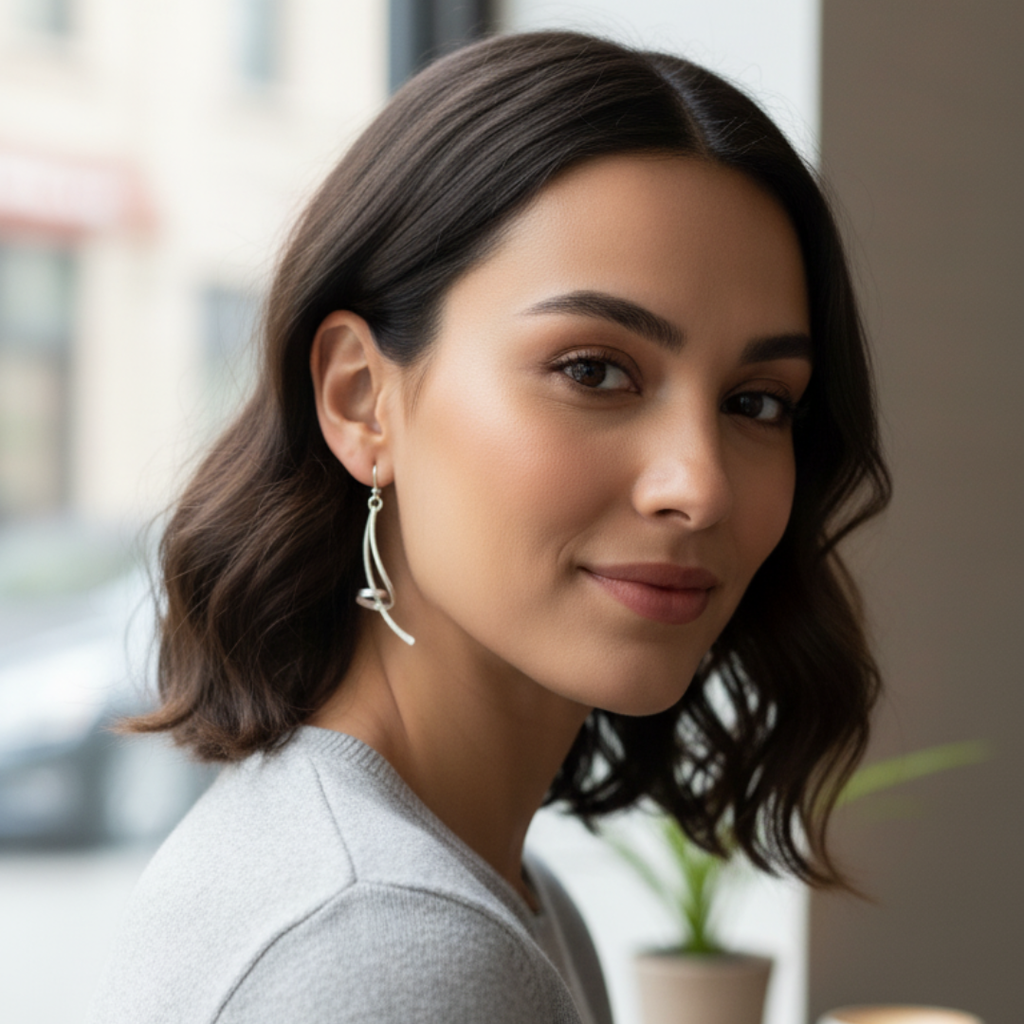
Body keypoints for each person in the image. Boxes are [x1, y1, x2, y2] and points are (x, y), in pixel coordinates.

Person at [87, 30, 890, 1024]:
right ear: (360, 401)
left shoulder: (484, 890)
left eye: (758, 401)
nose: (700, 484)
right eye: (594, 370)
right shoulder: (390, 948)